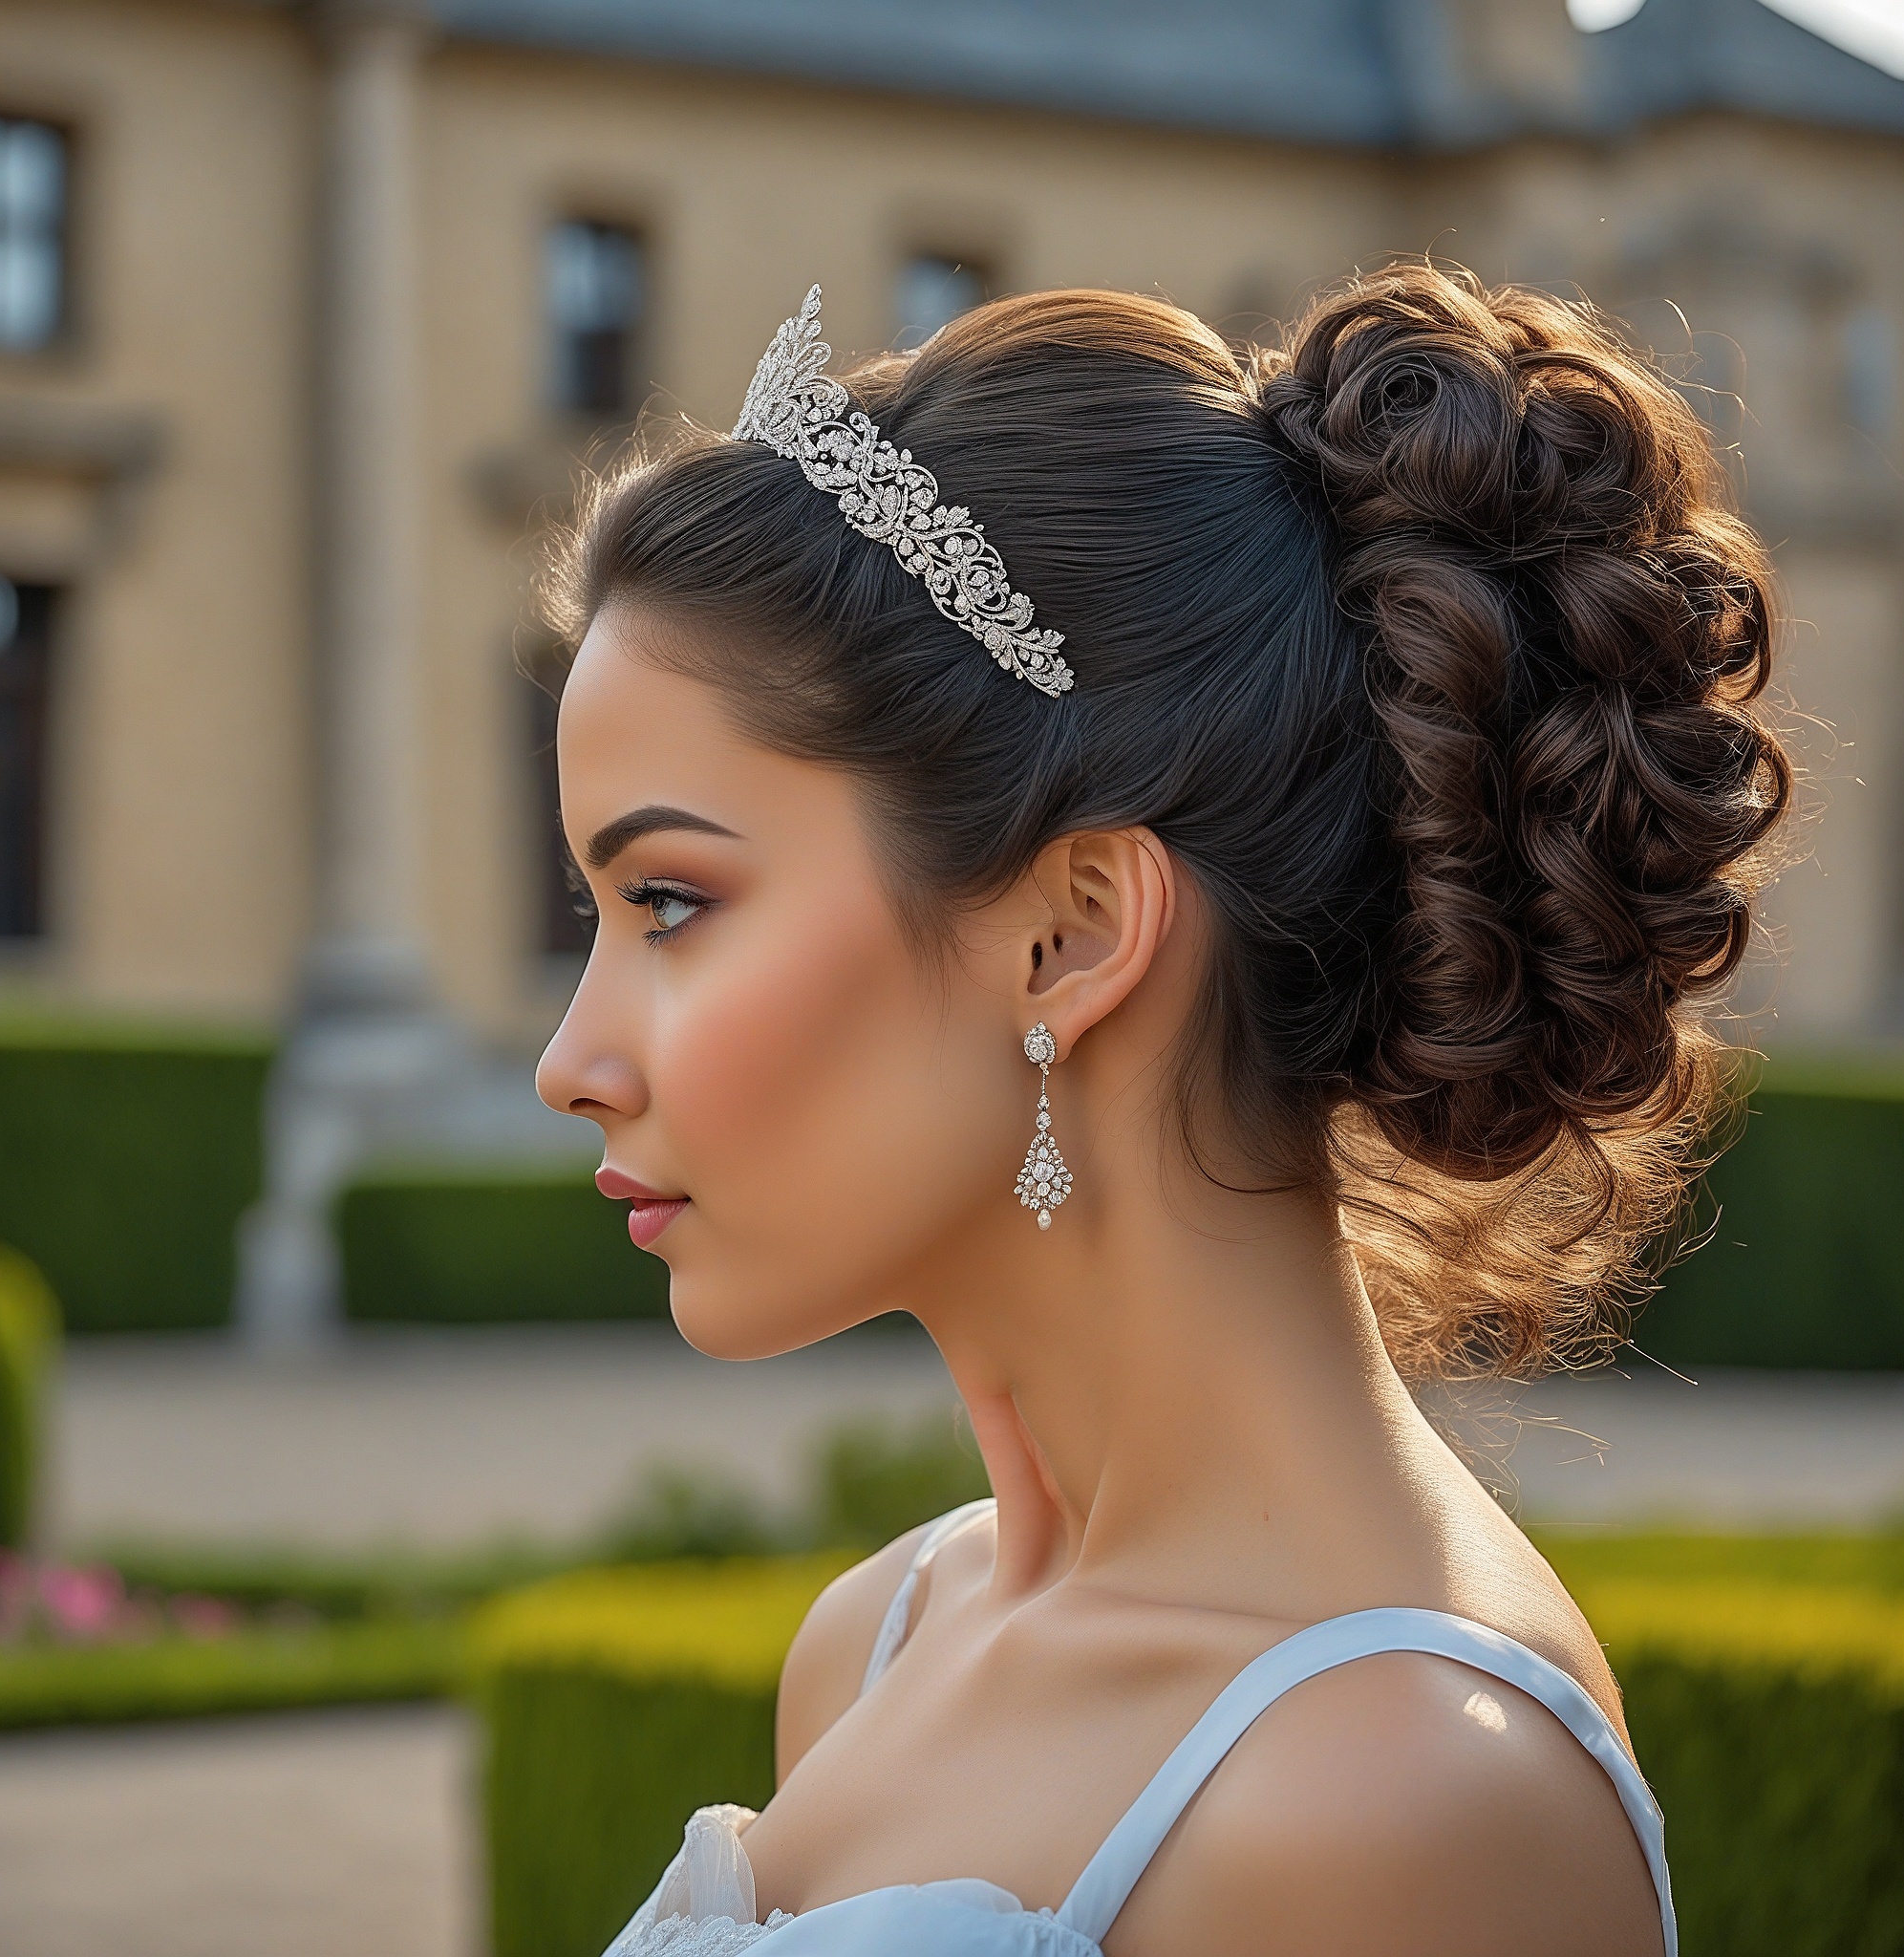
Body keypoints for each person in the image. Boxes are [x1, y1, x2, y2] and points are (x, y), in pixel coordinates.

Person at [535, 261, 1788, 1957]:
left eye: (670, 903)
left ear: (1072, 933)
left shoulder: (1415, 1804)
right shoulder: (878, 1640)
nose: (572, 1059)